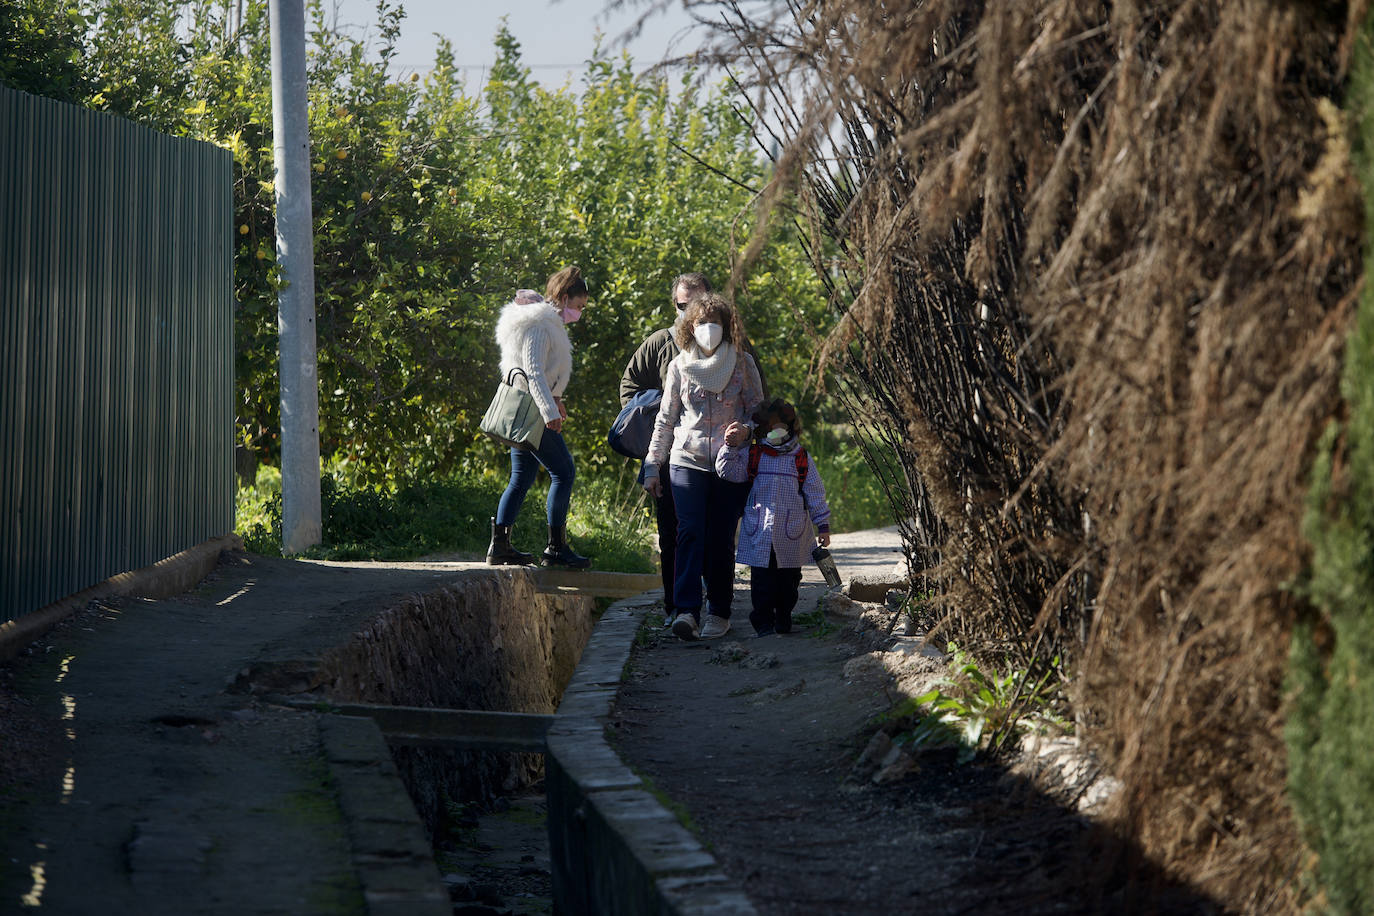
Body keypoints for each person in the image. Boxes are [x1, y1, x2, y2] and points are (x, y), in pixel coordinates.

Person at [642, 292, 764, 640]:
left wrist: (746, 430)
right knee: (689, 533)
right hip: (686, 460)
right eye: (701, 323)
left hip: (730, 464)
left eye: (715, 323)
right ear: (689, 327)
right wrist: (653, 466)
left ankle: (719, 612)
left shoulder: (742, 363)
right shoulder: (679, 366)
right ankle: (686, 611)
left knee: (721, 538)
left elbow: (759, 411)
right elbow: (665, 421)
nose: (708, 329)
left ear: (726, 327)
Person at [620, 272, 713, 626]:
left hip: (719, 457)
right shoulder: (661, 343)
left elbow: (754, 395)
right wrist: (650, 424)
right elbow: (630, 383)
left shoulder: (732, 343)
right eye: (681, 304)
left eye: (695, 303)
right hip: (670, 456)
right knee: (672, 533)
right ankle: (677, 607)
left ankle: (716, 605)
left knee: (715, 532)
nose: (688, 311)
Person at [486, 267, 591, 569]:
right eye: (579, 306)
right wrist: (549, 411)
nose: (580, 313)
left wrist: (556, 400)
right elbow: (532, 371)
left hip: (534, 408)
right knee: (564, 472)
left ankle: (500, 546)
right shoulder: (541, 324)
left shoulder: (548, 324)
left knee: (522, 478)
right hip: (533, 411)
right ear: (565, 297)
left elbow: (542, 371)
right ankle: (556, 548)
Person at [716, 398, 832, 636]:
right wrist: (729, 448)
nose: (773, 432)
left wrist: (823, 525)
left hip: (792, 534)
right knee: (761, 582)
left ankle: (783, 616)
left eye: (778, 427)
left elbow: (815, 492)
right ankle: (763, 623)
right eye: (767, 429)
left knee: (789, 582)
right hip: (761, 531)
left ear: (790, 427)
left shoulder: (800, 458)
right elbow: (729, 472)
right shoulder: (755, 454)